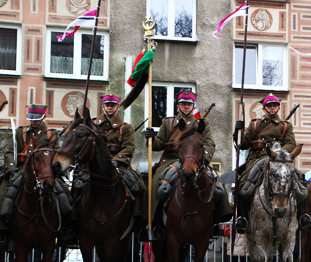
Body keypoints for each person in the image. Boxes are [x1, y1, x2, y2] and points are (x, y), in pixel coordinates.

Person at [144, 89, 232, 239]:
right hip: (171, 160)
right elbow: (158, 144)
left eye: (189, 104)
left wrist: (202, 159)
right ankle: (154, 222)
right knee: (156, 184)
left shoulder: (201, 123)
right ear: (178, 106)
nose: (186, 107)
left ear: (193, 106)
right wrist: (151, 138)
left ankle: (217, 222)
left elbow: (209, 143)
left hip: (196, 161)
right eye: (183, 104)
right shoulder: (169, 122)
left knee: (216, 184)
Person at [233, 93, 311, 233]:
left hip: (279, 160)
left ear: (278, 108)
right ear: (264, 109)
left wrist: (278, 153)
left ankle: (303, 215)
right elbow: (243, 144)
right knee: (245, 183)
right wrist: (237, 131)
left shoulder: (286, 126)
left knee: (299, 179)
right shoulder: (255, 124)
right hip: (258, 159)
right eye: (269, 106)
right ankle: (242, 218)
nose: (272, 108)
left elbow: (291, 143)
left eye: (274, 105)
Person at [0, 104, 74, 247]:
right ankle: (2, 231)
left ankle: (68, 229)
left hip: (45, 173)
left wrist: (54, 169)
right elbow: (9, 152)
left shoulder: (51, 134)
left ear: (43, 117)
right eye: (31, 119)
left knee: (64, 193)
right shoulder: (20, 132)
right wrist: (12, 169)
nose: (33, 122)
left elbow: (57, 155)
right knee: (3, 192)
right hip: (22, 171)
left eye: (36, 119)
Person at [95, 94, 146, 222]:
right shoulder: (94, 125)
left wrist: (116, 160)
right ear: (103, 107)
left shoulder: (126, 127)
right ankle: (72, 223)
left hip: (118, 165)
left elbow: (129, 147)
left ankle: (139, 218)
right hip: (96, 165)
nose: (110, 108)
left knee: (138, 186)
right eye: (107, 105)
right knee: (78, 185)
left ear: (117, 108)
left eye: (113, 105)